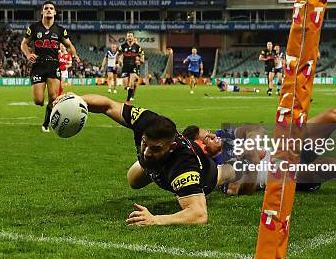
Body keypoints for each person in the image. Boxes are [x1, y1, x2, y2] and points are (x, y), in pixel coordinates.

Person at [65, 92, 239, 226]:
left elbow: (199, 214)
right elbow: (108, 106)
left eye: (155, 148)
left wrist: (155, 219)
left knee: (227, 173)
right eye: (144, 143)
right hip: (159, 166)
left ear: (170, 147)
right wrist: (76, 99)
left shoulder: (183, 164)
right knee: (133, 180)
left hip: (206, 174)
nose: (147, 152)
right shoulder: (145, 121)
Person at [185, 108, 336, 196]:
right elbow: (239, 190)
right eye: (208, 138)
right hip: (281, 175)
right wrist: (254, 164)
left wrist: (253, 142)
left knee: (333, 116)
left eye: (210, 133)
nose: (214, 136)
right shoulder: (216, 170)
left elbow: (255, 129)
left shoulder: (224, 137)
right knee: (332, 165)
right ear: (202, 149)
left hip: (284, 148)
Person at [21, 1, 79, 133]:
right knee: (38, 100)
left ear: (55, 12)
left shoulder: (60, 30)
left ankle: (47, 123)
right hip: (38, 65)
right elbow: (24, 44)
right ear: (42, 12)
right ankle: (47, 112)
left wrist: (74, 55)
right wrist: (28, 54)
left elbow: (69, 45)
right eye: (46, 8)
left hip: (53, 64)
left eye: (51, 8)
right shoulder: (34, 28)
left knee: (53, 97)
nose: (48, 10)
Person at [118, 32, 144, 104]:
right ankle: (130, 93)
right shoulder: (122, 46)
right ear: (126, 37)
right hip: (125, 67)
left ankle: (128, 100)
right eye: (128, 36)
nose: (129, 37)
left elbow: (142, 56)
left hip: (133, 67)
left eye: (131, 36)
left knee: (132, 83)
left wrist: (140, 61)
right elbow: (119, 55)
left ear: (133, 37)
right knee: (125, 85)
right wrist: (119, 61)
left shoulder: (137, 47)